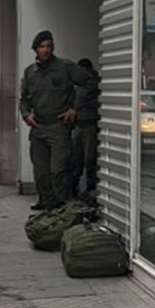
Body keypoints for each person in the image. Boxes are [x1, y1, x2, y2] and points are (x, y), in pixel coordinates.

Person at [19, 31, 97, 211]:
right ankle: (47, 206)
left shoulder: (65, 67)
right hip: (38, 128)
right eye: (41, 47)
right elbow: (23, 99)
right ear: (35, 50)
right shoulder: (30, 72)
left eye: (48, 46)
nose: (45, 50)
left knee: (59, 171)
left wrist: (75, 108)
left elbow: (89, 82)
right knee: (41, 173)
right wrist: (26, 114)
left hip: (58, 128)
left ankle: (64, 209)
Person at [70, 58, 101, 200]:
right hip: (80, 124)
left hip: (89, 124)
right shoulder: (80, 85)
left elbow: (81, 99)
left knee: (90, 158)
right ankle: (76, 188)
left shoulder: (92, 83)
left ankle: (90, 188)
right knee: (77, 158)